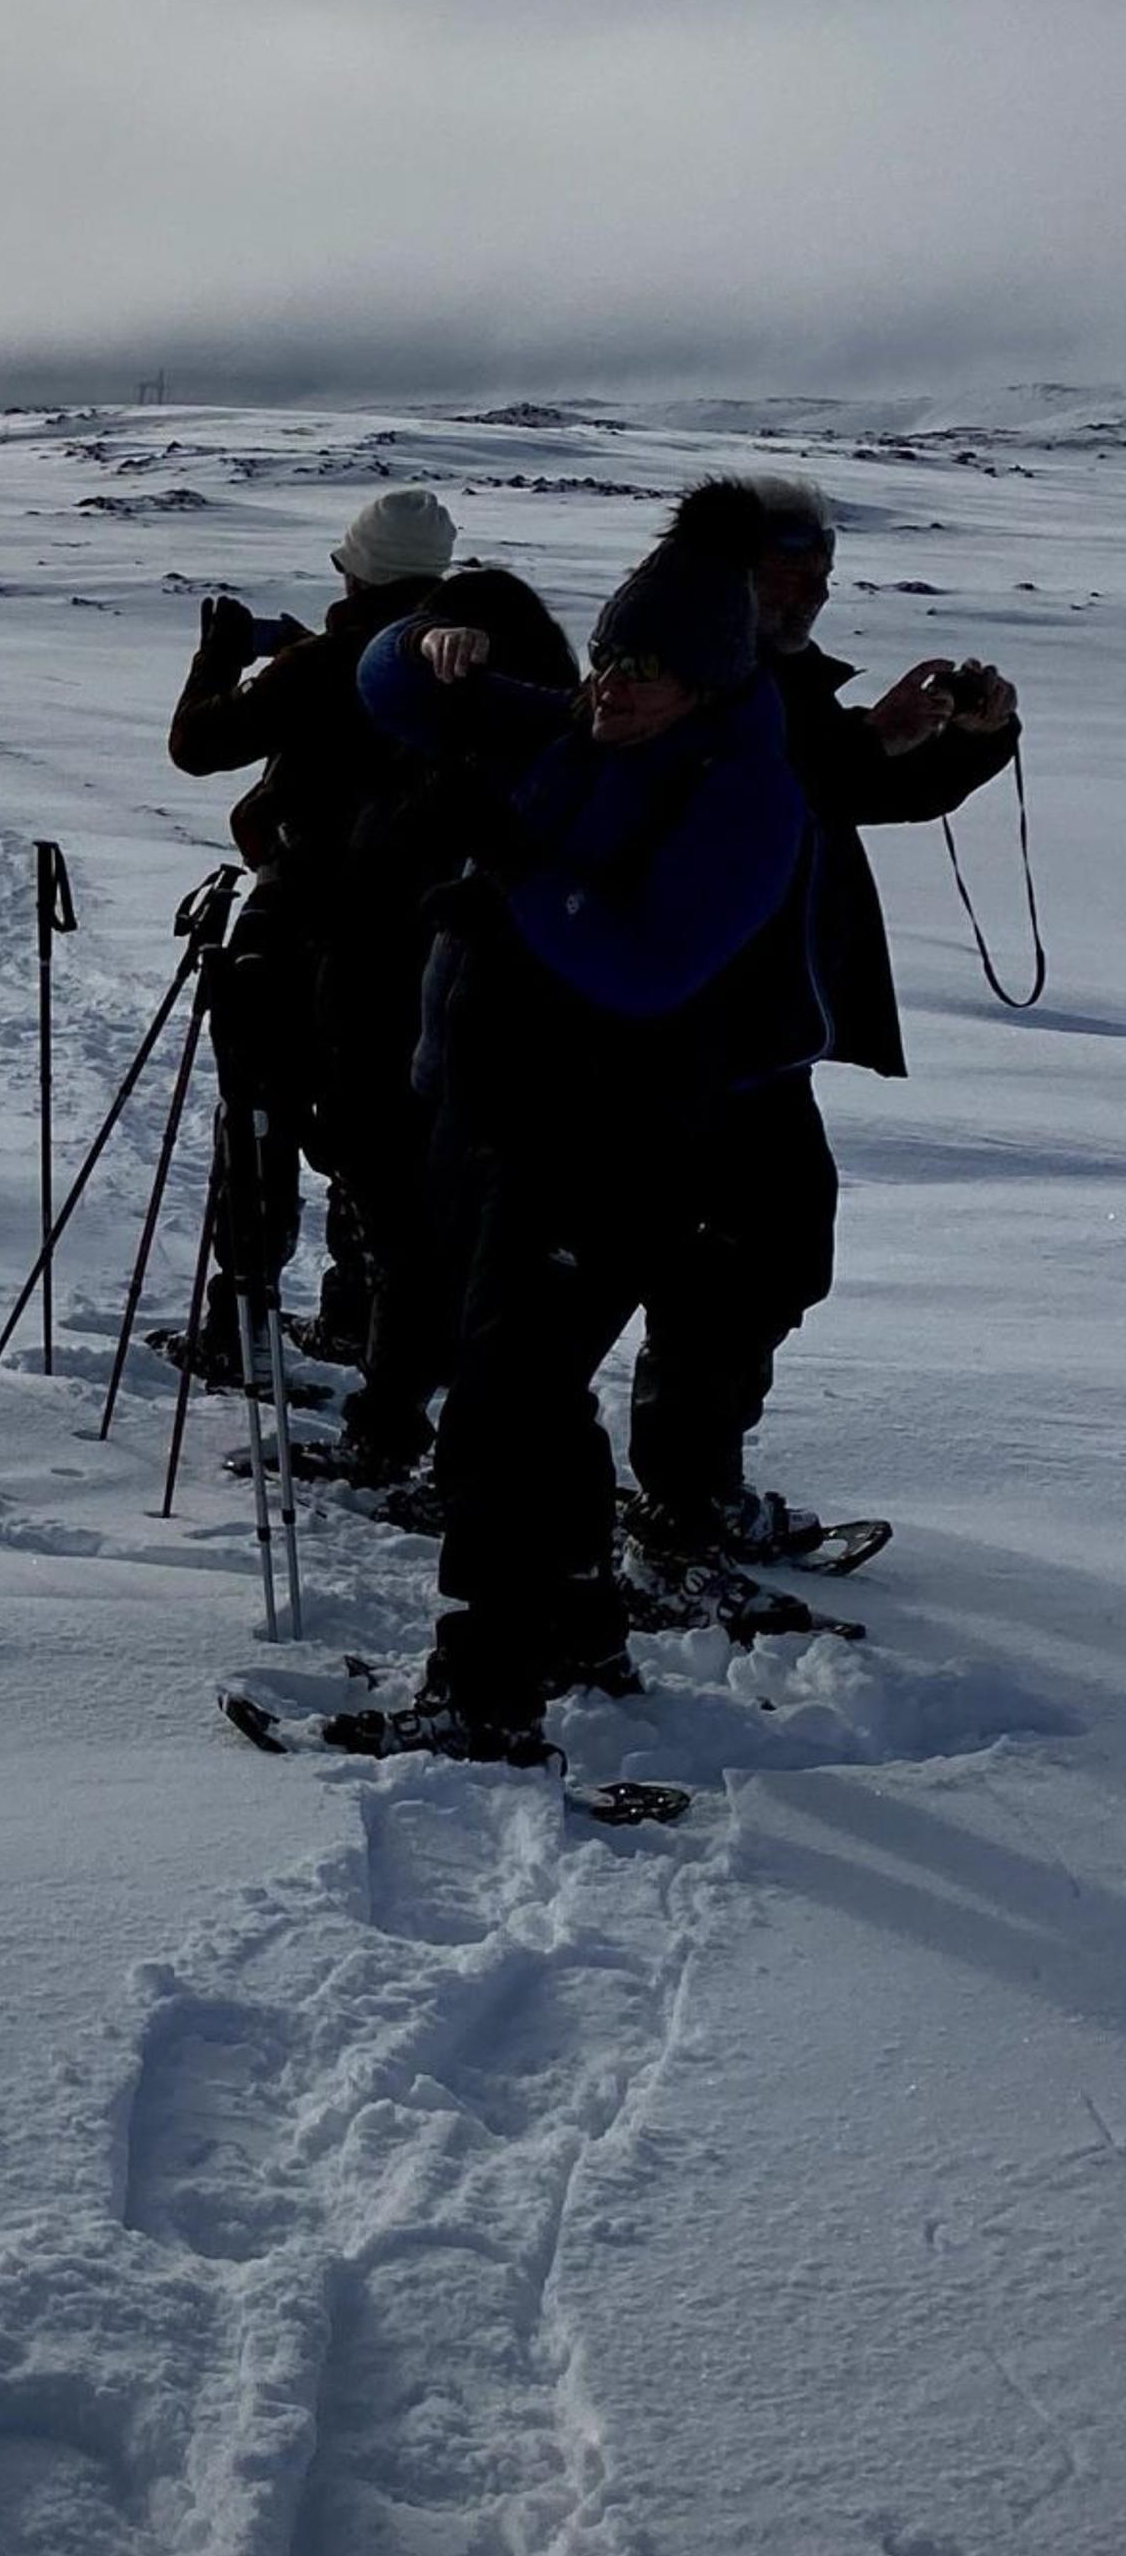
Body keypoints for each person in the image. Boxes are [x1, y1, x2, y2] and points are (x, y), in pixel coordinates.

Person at [359, 481, 817, 1751]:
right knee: (532, 1391)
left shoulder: (744, 792)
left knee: (502, 1413)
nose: (614, 689)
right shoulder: (583, 724)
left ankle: (489, 1687)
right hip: (503, 1113)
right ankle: (569, 1618)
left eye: (648, 673)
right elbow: (388, 692)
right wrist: (432, 639)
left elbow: (648, 965)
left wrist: (510, 865)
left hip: (616, 1138)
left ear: (714, 681)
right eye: (610, 659)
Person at [621, 473, 1023, 1560]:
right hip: (685, 1036)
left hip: (750, 1036)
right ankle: (678, 1494)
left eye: (821, 574)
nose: (810, 593)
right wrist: (875, 740)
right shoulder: (675, 673)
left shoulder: (771, 679)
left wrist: (968, 738)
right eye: (787, 572)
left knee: (759, 1257)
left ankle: (687, 1484)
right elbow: (749, 787)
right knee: (730, 1257)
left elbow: (857, 788)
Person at [165, 485, 458, 1380]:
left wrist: (219, 660)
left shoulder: (325, 664)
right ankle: (361, 1317)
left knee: (260, 1112)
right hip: (416, 934)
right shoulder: (453, 662)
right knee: (378, 1127)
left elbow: (198, 746)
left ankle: (239, 1322)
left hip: (295, 920)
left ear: (355, 568)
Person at [301, 565, 580, 1484]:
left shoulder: (471, 770)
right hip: (461, 1043)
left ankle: (398, 1432)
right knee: (441, 1249)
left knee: (420, 1247)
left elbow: (375, 896)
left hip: (426, 1043)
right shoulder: (552, 751)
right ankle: (419, 1427)